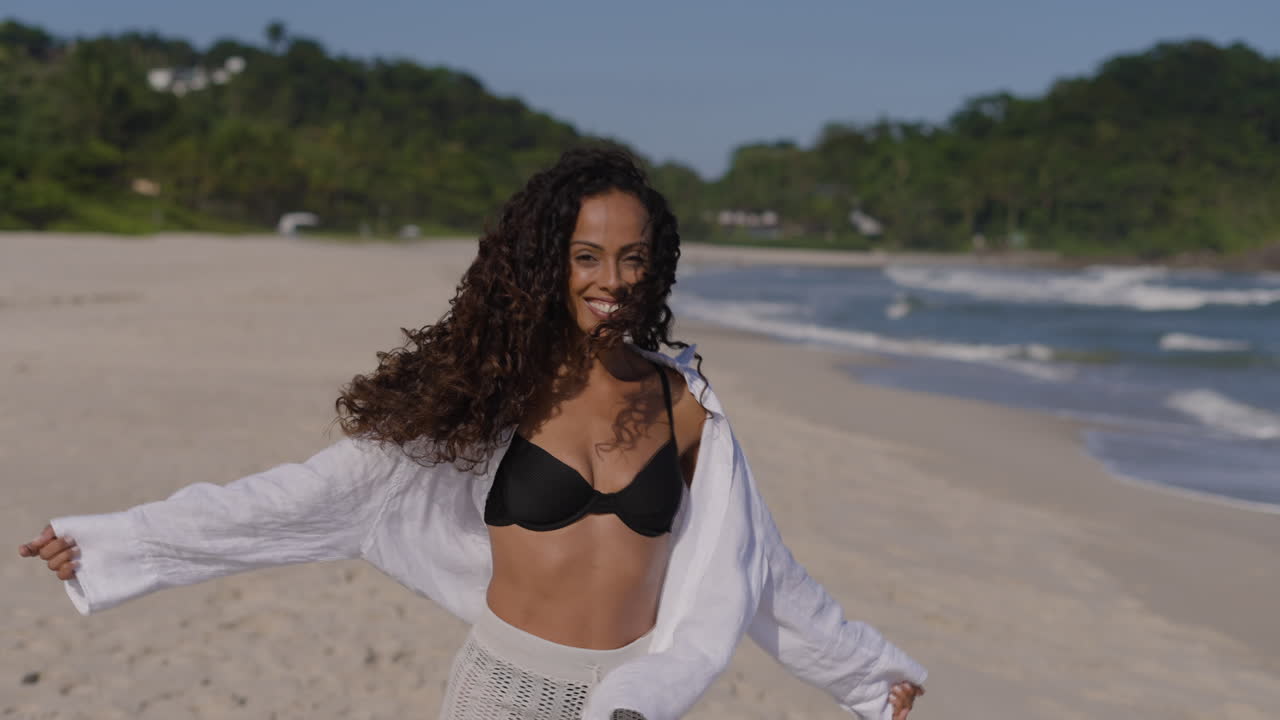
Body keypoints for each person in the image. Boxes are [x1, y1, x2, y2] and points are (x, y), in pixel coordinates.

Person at [19, 148, 926, 720]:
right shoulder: (488, 399)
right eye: (586, 255)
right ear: (546, 263)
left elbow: (757, 569)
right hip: (506, 695)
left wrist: (864, 675)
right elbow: (296, 499)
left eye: (634, 256)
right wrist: (114, 541)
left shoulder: (686, 405)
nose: (613, 277)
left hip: (635, 701)